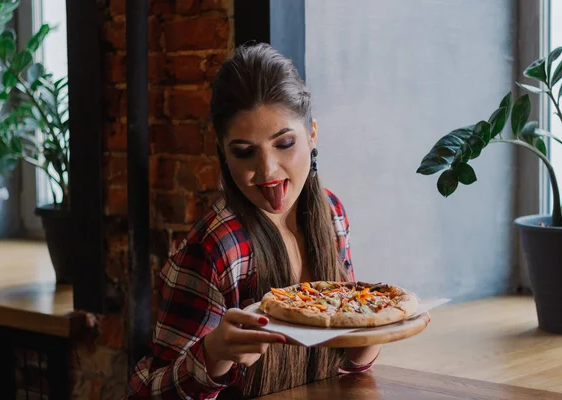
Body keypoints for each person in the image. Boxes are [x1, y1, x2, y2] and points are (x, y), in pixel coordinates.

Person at [123, 43, 381, 399]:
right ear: (223, 154)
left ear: (312, 135)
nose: (268, 171)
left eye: (285, 143)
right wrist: (212, 357)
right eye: (244, 153)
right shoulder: (215, 247)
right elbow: (143, 393)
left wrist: (367, 342)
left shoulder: (332, 212)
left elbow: (343, 369)